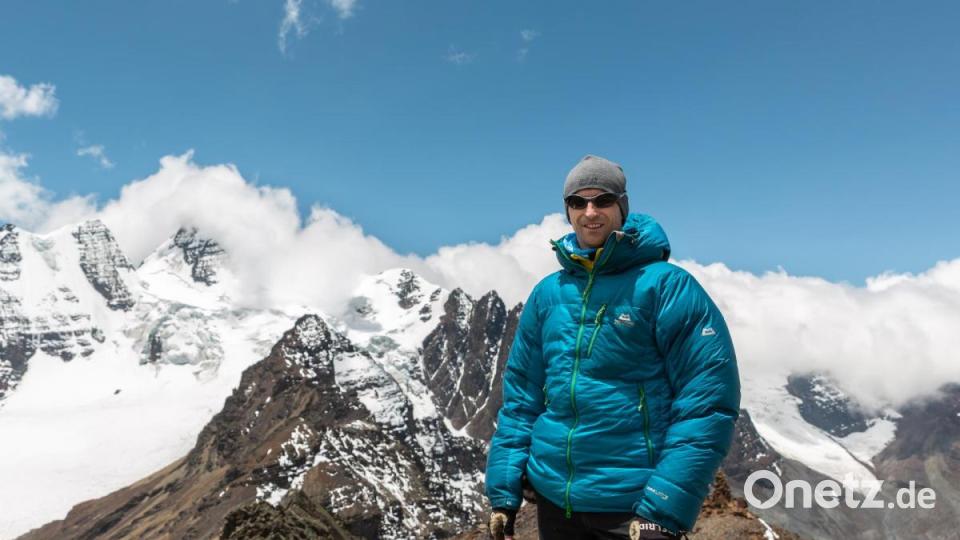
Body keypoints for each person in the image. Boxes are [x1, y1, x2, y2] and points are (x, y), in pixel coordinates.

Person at [485, 155, 741, 540]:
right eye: (578, 202)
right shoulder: (548, 294)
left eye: (602, 200)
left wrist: (664, 509)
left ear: (622, 207)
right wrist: (503, 492)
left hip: (632, 507)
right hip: (556, 501)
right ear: (568, 211)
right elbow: (522, 397)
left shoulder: (666, 287)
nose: (590, 212)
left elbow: (707, 403)